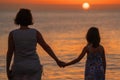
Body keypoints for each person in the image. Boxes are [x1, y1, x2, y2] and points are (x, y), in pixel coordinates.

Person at [6, 8, 64, 80]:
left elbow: (9, 53)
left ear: (18, 19)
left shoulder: (13, 34)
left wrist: (7, 70)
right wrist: (57, 60)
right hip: (33, 67)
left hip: (18, 68)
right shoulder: (35, 33)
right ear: (30, 19)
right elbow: (46, 47)